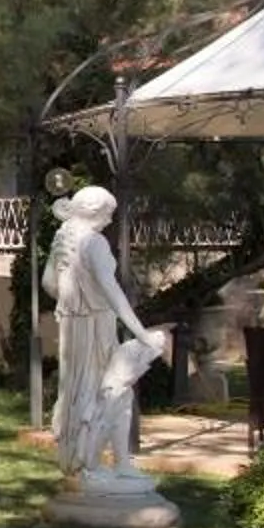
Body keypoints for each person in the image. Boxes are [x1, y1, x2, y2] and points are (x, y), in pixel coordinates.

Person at [44, 186, 166, 484]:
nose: (110, 221)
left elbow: (50, 285)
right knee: (109, 393)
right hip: (97, 328)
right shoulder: (93, 242)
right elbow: (113, 293)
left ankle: (104, 463)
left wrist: (74, 296)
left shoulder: (63, 237)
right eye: (108, 214)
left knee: (85, 393)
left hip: (73, 329)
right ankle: (95, 465)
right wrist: (142, 333)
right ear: (95, 212)